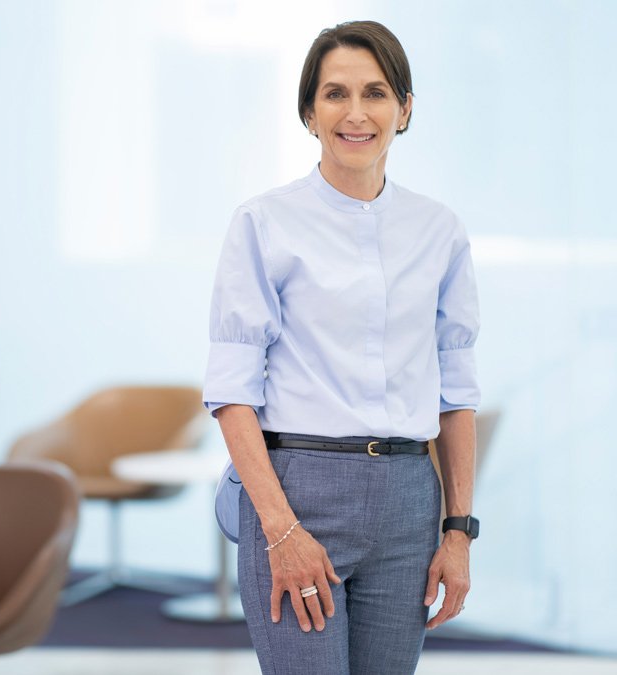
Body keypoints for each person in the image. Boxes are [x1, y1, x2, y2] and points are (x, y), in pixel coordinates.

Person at [202, 20, 480, 675]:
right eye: (334, 94)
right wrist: (281, 529)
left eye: (376, 92)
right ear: (308, 112)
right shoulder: (263, 223)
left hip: (410, 501)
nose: (356, 113)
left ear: (404, 109)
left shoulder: (439, 231)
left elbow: (457, 390)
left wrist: (457, 530)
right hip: (298, 492)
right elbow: (232, 391)